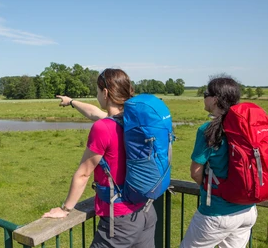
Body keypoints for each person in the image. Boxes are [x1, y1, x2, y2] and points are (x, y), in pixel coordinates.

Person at [42, 68, 158, 247]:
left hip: (120, 220)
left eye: (97, 91)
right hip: (145, 211)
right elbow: (94, 113)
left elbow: (83, 174)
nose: (96, 95)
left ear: (105, 92)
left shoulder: (103, 128)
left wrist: (65, 209)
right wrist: (71, 102)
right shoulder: (133, 121)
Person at [180, 76, 257, 248]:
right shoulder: (246, 127)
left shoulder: (207, 130)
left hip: (217, 212)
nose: (203, 97)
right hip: (247, 210)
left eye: (206, 94)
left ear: (215, 99)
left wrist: (212, 188)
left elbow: (195, 172)